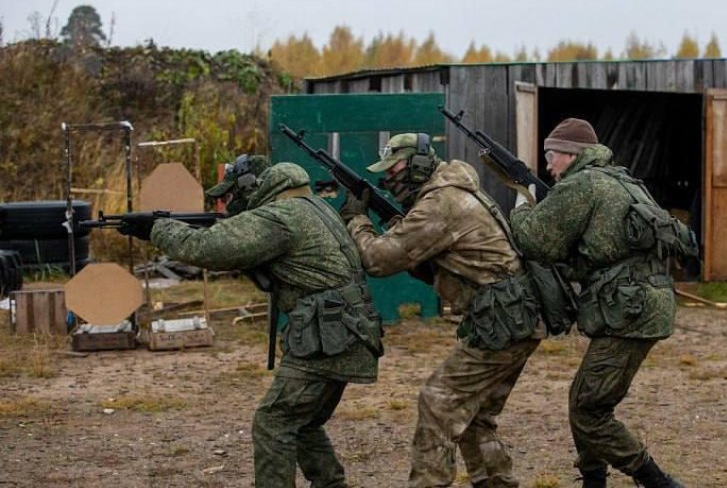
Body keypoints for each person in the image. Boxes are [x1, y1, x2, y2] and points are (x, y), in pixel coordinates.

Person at [120, 162, 383, 488]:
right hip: (346, 332)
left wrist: (158, 228)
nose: (229, 204)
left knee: (274, 422)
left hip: (330, 336)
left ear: (253, 189)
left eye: (232, 195)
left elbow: (206, 248)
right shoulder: (311, 206)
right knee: (302, 421)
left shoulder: (279, 217)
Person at [339, 133, 543, 488]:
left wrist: (357, 220)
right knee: (475, 416)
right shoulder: (450, 191)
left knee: (438, 403)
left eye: (395, 168)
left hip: (502, 320)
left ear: (418, 166)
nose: (389, 178)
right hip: (512, 317)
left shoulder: (442, 203)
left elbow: (376, 259)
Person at [510, 118, 692, 488]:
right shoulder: (620, 179)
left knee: (587, 408)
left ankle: (656, 480)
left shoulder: (583, 183)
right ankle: (594, 479)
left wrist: (521, 204)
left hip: (627, 307)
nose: (548, 165)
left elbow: (534, 241)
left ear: (572, 154)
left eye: (551, 155)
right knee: (587, 397)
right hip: (640, 302)